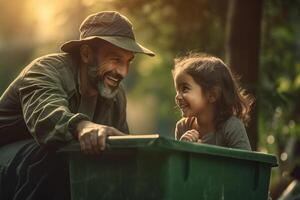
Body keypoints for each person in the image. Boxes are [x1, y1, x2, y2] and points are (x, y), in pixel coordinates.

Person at [0, 11, 154, 200]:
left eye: (127, 61)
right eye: (115, 59)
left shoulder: (116, 94)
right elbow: (45, 115)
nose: (123, 72)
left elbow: (119, 151)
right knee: (63, 153)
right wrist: (83, 127)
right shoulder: (45, 70)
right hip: (8, 160)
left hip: (44, 169)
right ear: (87, 54)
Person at [172, 53, 252, 150]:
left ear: (212, 95)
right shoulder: (182, 127)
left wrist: (204, 151)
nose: (177, 96)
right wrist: (183, 147)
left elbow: (245, 164)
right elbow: (178, 164)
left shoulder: (231, 127)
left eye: (184, 89)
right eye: (177, 90)